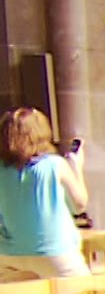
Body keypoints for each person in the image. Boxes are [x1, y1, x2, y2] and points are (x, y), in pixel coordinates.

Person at [0, 108, 91, 281]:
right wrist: (76, 166)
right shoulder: (55, 164)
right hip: (54, 252)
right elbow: (79, 204)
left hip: (8, 254)